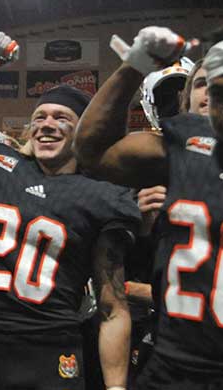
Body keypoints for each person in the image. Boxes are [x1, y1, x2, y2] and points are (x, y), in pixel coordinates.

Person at [0, 29, 140, 390]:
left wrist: (115, 388)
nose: (47, 124)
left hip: (52, 352)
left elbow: (113, 307)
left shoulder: (101, 195)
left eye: (61, 117)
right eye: (40, 116)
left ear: (83, 132)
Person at [74, 27, 223, 389]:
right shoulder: (178, 149)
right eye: (205, 85)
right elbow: (92, 150)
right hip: (174, 364)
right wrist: (135, 64)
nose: (213, 95)